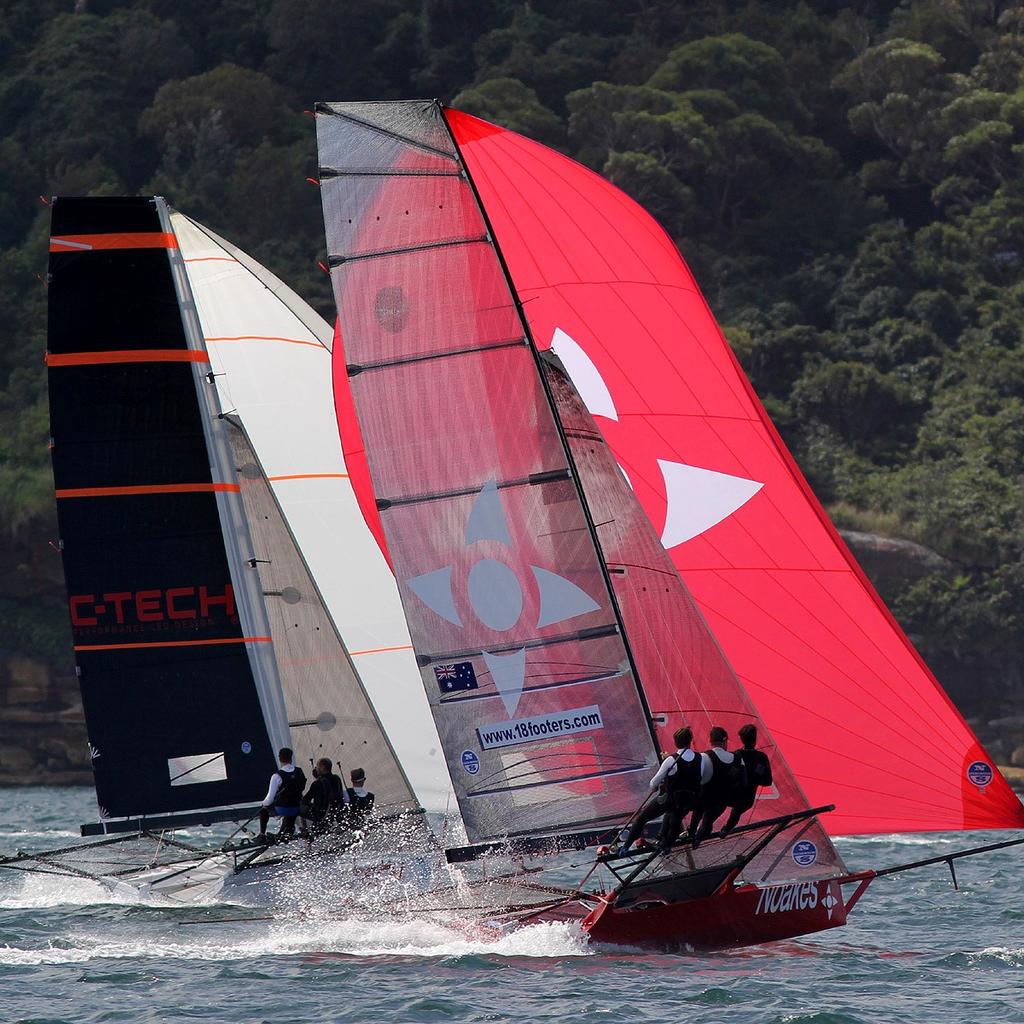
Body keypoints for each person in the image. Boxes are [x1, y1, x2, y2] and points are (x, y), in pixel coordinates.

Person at [603, 726, 710, 855]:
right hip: (688, 801)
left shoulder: (671, 760)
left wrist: (665, 766)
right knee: (675, 818)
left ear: (675, 742)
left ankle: (625, 847)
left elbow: (653, 783)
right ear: (690, 740)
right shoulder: (701, 758)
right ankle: (666, 845)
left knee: (642, 818)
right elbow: (701, 778)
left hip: (669, 799)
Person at [690, 726, 747, 848]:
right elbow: (744, 782)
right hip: (723, 800)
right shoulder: (738, 759)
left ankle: (691, 833)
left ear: (711, 741)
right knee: (707, 822)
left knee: (697, 815)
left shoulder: (704, 757)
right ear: (725, 740)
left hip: (704, 797)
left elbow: (695, 778)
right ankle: (697, 839)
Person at [720, 723, 773, 835]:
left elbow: (726, 777)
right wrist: (755, 777)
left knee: (722, 804)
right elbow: (768, 781)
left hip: (730, 796)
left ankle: (702, 829)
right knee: (737, 811)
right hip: (746, 799)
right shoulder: (761, 758)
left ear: (741, 739)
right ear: (755, 740)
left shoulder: (735, 755)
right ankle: (726, 829)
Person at [257, 747, 307, 842]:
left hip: (284, 809)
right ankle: (286, 832)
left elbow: (269, 800)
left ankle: (262, 835)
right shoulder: (299, 772)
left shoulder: (277, 776)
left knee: (263, 810)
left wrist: (263, 804)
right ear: (291, 758)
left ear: (280, 758)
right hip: (297, 808)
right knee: (290, 810)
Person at [301, 757, 346, 834]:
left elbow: (306, 800)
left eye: (317, 766)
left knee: (297, 808)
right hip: (334, 813)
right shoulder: (337, 779)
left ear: (322, 767)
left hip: (320, 815)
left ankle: (302, 830)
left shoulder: (317, 783)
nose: (316, 768)